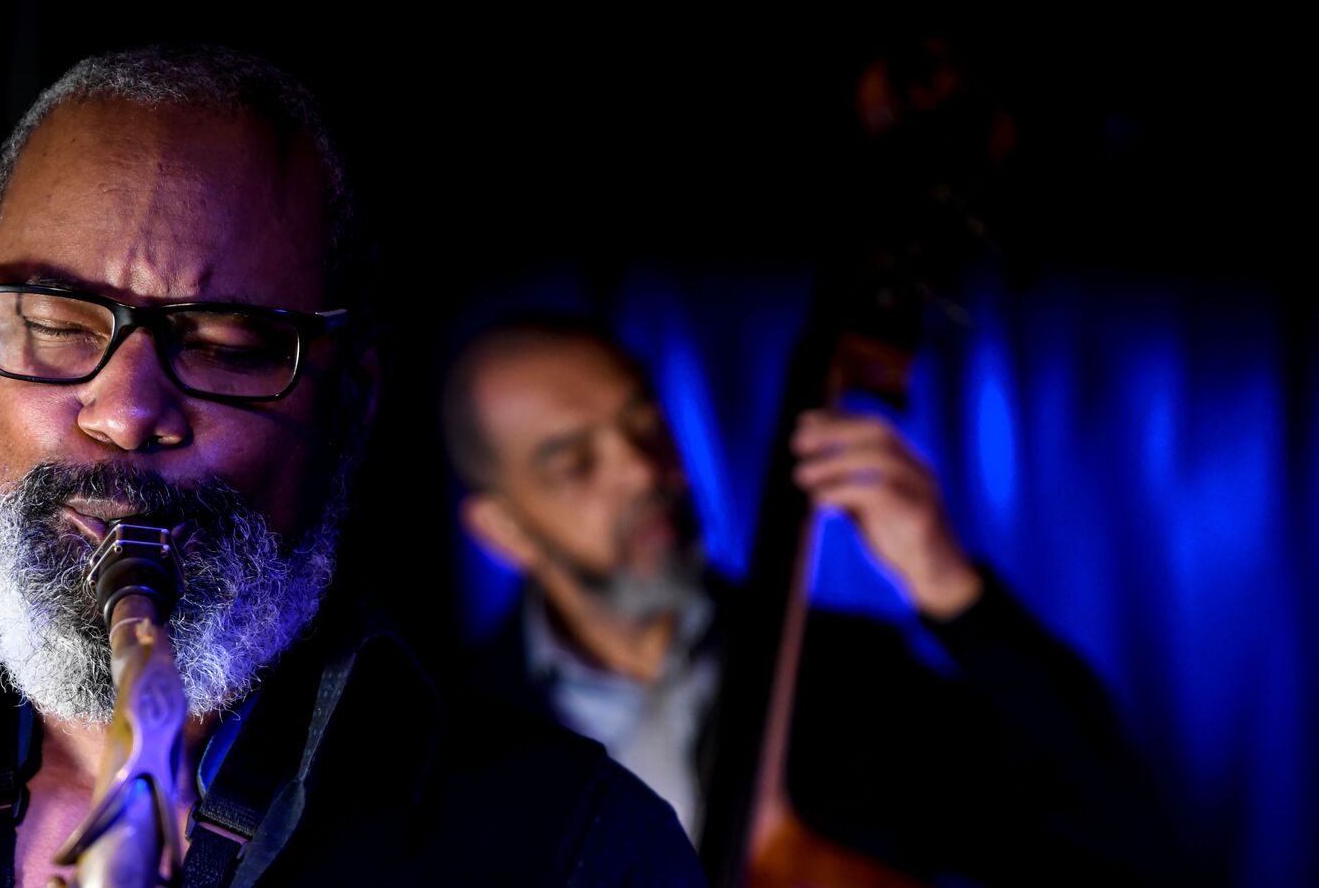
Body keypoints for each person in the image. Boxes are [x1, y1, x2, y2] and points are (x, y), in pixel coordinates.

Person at [0, 46, 701, 887]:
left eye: (225, 344)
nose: (126, 410)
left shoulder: (577, 850)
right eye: (53, 322)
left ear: (351, 399)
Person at [441, 317, 1173, 887]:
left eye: (645, 426)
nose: (639, 471)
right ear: (502, 529)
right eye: (574, 463)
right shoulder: (447, 741)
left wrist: (951, 588)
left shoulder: (853, 670)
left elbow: (1112, 825)